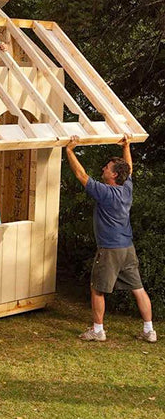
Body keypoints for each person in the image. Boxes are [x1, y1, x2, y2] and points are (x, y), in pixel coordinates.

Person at [65, 134, 156, 343]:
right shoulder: (127, 188)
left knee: (97, 288)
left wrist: (70, 150)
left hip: (110, 250)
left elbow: (81, 175)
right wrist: (127, 146)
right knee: (138, 288)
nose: (104, 169)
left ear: (114, 175)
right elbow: (129, 168)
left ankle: (98, 331)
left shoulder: (106, 193)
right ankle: (149, 330)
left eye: (107, 167)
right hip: (127, 248)